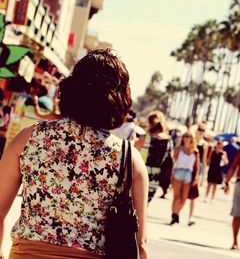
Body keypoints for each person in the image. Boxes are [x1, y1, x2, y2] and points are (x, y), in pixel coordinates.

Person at [0, 49, 149, 259]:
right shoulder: (128, 158)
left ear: (71, 88)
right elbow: (140, 244)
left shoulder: (29, 138)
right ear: (120, 97)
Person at [170, 132, 200, 225]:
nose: (186, 138)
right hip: (178, 172)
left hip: (188, 175)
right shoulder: (179, 149)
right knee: (177, 197)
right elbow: (173, 162)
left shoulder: (195, 151)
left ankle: (177, 213)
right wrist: (171, 175)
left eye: (189, 137)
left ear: (192, 139)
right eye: (185, 136)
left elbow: (197, 166)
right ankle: (174, 215)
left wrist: (196, 178)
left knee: (184, 199)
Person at [146, 111, 173, 201]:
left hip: (142, 170)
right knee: (146, 202)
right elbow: (169, 161)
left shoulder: (145, 137)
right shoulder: (168, 140)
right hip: (156, 174)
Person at [195, 123, 208, 187]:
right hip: (189, 163)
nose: (201, 131)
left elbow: (204, 159)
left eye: (203, 130)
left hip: (198, 165)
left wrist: (203, 177)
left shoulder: (205, 144)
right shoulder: (192, 140)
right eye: (199, 129)